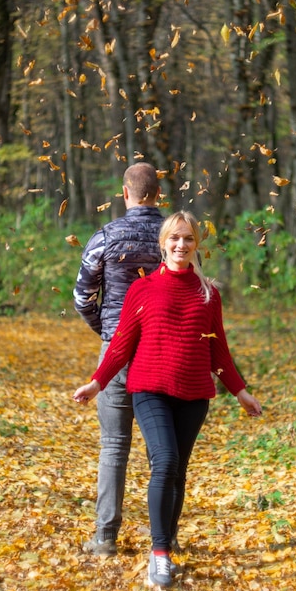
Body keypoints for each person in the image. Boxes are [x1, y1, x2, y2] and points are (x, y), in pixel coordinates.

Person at [73, 210, 262, 588]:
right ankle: (159, 555)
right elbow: (121, 344)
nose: (181, 245)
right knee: (166, 460)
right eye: (174, 238)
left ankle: (167, 540)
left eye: (188, 238)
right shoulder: (141, 290)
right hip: (149, 388)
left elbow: (218, 351)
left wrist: (240, 391)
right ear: (163, 243)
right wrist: (97, 382)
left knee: (178, 471)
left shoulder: (208, 293)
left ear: (196, 244)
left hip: (194, 395)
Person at [73, 162, 164, 556]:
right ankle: (162, 533)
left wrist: (109, 333)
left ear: (125, 194)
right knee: (162, 449)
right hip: (162, 351)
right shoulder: (173, 237)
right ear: (158, 195)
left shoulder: (105, 236)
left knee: (113, 444)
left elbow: (81, 298)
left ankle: (105, 537)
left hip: (117, 351)